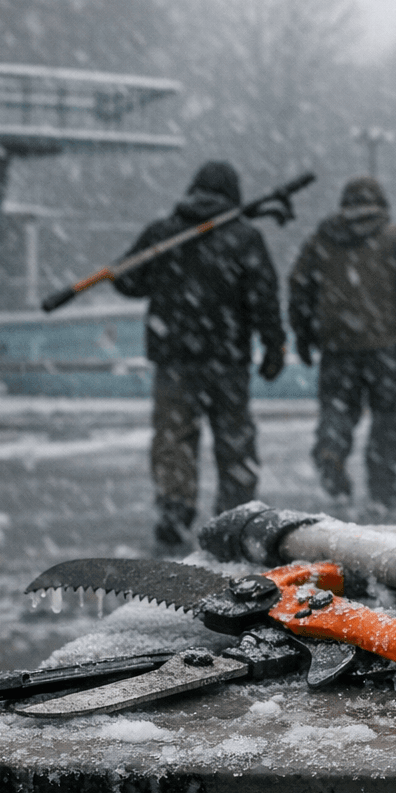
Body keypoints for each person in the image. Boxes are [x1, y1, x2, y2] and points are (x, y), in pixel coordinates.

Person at [113, 160, 287, 548]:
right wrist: (273, 345)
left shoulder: (162, 233)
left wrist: (138, 266)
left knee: (174, 437)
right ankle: (236, 519)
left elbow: (127, 281)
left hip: (175, 359)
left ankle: (174, 510)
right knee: (235, 438)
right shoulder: (245, 238)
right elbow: (265, 298)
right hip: (228, 358)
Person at [287, 175, 396, 506]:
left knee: (337, 410)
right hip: (385, 346)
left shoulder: (321, 241)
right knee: (389, 415)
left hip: (337, 346)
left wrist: (302, 333)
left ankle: (331, 455)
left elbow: (299, 288)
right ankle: (383, 481)